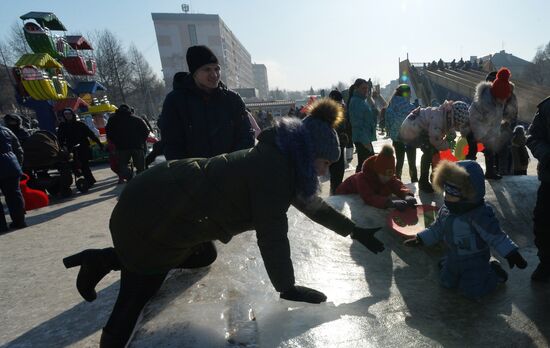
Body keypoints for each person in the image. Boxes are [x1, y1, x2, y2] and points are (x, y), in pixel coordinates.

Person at [62, 99, 386, 347]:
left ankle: (109, 258)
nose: (324, 172)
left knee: (204, 255)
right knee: (137, 293)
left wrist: (354, 231)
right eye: (325, 162)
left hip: (168, 194)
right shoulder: (274, 173)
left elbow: (314, 207)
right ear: (308, 152)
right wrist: (287, 287)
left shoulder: (283, 160)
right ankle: (106, 268)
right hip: (151, 210)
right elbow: (273, 235)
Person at [404, 160, 527, 299]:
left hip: (474, 260)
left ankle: (494, 272)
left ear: (470, 193)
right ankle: (449, 265)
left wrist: (511, 252)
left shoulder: (479, 214)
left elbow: (496, 235)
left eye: (454, 192)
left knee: (473, 291)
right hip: (453, 256)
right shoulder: (446, 210)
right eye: (447, 190)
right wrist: (420, 238)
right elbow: (436, 229)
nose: (448, 196)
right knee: (446, 283)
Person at [158, 45, 254, 160]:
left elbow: (246, 135)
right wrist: (190, 172)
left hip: (230, 172)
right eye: (207, 69)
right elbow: (172, 144)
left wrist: (232, 164)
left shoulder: (232, 99)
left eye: (217, 69)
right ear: (194, 73)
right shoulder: (176, 101)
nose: (214, 75)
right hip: (194, 174)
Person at [400, 100, 470, 193]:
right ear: (454, 117)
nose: (456, 126)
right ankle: (423, 182)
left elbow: (450, 128)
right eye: (457, 124)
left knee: (435, 153)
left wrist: (451, 137)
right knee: (428, 152)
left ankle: (435, 178)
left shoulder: (446, 114)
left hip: (420, 127)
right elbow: (435, 139)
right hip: (412, 130)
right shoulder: (438, 119)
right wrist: (447, 145)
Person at [468, 67, 518, 179]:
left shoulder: (499, 100)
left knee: (490, 147)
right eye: (502, 99)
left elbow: (496, 121)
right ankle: (469, 171)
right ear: (496, 95)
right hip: (472, 126)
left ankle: (490, 172)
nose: (503, 102)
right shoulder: (483, 101)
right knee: (472, 149)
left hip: (486, 127)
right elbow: (474, 119)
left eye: (504, 99)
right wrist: (481, 134)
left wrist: (494, 134)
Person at [335, 144, 416, 210]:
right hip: (343, 195)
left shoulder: (388, 177)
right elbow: (368, 197)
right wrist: (389, 203)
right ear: (377, 171)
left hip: (357, 195)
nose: (387, 178)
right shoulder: (362, 178)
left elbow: (396, 184)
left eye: (389, 176)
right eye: (384, 175)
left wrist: (406, 194)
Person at [526, 96, 550, 282]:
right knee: (543, 221)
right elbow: (532, 137)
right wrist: (547, 154)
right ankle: (546, 262)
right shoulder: (547, 107)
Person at [57, 108, 104, 187]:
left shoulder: (80, 124)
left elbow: (90, 134)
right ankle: (82, 178)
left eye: (69, 114)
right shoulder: (62, 126)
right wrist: (62, 146)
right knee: (73, 165)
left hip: (83, 147)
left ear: (72, 114)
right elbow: (60, 138)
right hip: (71, 148)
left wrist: (99, 143)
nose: (68, 116)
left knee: (84, 165)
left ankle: (90, 181)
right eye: (66, 114)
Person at [105, 104, 150, 183]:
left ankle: (129, 177)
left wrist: (115, 141)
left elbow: (108, 132)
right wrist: (141, 141)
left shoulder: (112, 120)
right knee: (141, 167)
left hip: (121, 148)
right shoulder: (137, 119)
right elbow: (146, 131)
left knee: (123, 166)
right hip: (137, 146)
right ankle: (141, 181)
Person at [385, 84, 418, 182]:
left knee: (399, 161)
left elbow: (387, 124)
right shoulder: (411, 107)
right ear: (406, 93)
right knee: (412, 162)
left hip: (397, 138)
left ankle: (397, 181)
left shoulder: (390, 106)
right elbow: (416, 123)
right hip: (409, 138)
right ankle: (414, 180)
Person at [348, 78, 378, 173]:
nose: (366, 90)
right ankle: (359, 186)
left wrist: (372, 100)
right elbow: (357, 123)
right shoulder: (356, 102)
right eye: (363, 88)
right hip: (362, 139)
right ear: (356, 88)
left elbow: (371, 117)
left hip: (365, 138)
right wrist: (365, 142)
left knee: (364, 165)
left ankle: (358, 186)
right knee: (367, 166)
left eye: (367, 88)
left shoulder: (361, 101)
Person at [0, 125, 26, 232]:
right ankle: (19, 221)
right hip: (11, 166)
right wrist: (18, 165)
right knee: (15, 195)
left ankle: (1, 225)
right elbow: (18, 149)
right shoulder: (6, 130)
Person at [327, 90, 348, 194]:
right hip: (333, 146)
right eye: (338, 102)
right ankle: (335, 193)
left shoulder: (340, 110)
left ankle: (335, 191)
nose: (340, 104)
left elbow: (343, 126)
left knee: (339, 171)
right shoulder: (328, 113)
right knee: (336, 172)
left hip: (340, 145)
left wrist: (344, 135)